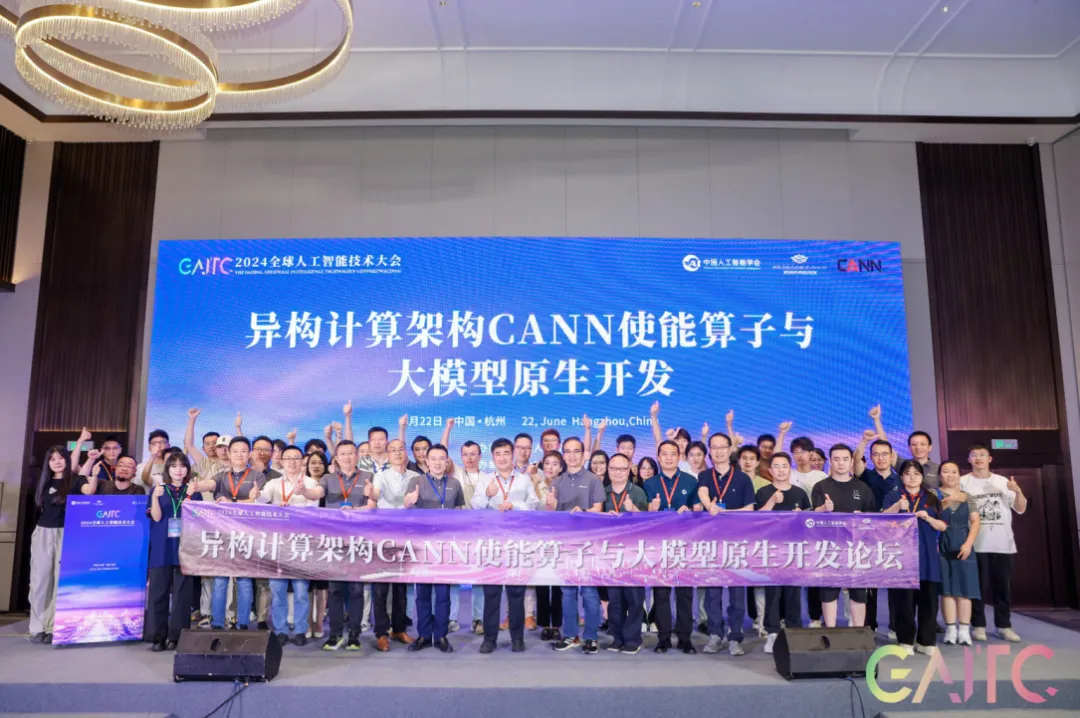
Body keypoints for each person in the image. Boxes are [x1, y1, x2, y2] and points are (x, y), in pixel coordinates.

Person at [303, 440, 373, 651]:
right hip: (333, 541)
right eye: (343, 454)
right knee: (334, 590)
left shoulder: (368, 477)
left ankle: (354, 635)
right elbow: (317, 494)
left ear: (357, 456)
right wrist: (304, 491)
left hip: (358, 541)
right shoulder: (328, 478)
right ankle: (334, 635)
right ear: (336, 458)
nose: (347, 457)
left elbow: (372, 506)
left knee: (356, 590)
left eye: (351, 453)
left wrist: (355, 510)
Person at [471, 438, 539, 653]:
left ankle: (517, 638)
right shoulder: (485, 480)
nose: (502, 457)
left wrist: (515, 505)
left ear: (513, 455)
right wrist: (487, 495)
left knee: (516, 594)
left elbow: (534, 505)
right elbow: (475, 507)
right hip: (492, 544)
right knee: (491, 594)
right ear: (492, 457)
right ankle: (489, 639)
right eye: (498, 454)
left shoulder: (524, 479)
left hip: (517, 544)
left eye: (506, 453)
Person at [697, 432, 756, 656]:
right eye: (714, 447)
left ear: (730, 449)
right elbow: (703, 492)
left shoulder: (742, 478)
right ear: (709, 451)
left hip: (736, 544)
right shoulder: (705, 475)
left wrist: (725, 513)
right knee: (712, 594)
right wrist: (709, 506)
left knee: (737, 594)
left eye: (723, 447)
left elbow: (749, 510)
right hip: (711, 543)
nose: (719, 451)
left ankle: (735, 636)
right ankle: (715, 634)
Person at [961, 444, 1027, 642]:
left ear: (989, 459)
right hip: (976, 543)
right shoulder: (963, 482)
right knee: (977, 588)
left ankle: (1003, 626)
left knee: (1002, 588)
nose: (978, 458)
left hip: (1002, 544)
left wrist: (1018, 491)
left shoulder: (1003, 482)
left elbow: (1020, 508)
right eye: (974, 455)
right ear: (969, 460)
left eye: (982, 455)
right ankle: (978, 626)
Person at [548, 437, 605, 654]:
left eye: (576, 451)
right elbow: (551, 514)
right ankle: (570, 635)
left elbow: (599, 509)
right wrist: (550, 505)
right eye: (568, 451)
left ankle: (591, 637)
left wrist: (584, 512)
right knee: (568, 592)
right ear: (563, 455)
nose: (572, 455)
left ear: (583, 454)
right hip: (565, 545)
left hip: (589, 544)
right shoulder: (557, 481)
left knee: (589, 592)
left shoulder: (593, 479)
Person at [257, 445, 319, 646]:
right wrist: (256, 494)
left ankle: (300, 630)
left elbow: (314, 507)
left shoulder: (310, 482)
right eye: (288, 458)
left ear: (302, 461)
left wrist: (303, 495)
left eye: (296, 458)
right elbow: (262, 499)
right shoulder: (274, 483)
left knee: (301, 591)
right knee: (278, 591)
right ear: (282, 461)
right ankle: (281, 630)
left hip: (301, 544)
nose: (292, 462)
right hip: (278, 544)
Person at [883, 460, 946, 655]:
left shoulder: (932, 497)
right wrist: (896, 507)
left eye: (916, 473)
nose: (912, 477)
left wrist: (928, 518)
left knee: (929, 601)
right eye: (907, 473)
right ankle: (906, 640)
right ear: (901, 477)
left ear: (922, 476)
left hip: (927, 557)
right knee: (904, 602)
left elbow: (943, 526)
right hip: (902, 558)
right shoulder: (894, 495)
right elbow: (881, 520)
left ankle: (926, 641)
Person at [404, 444, 463, 653]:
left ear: (447, 462)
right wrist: (410, 501)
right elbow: (406, 503)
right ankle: (423, 635)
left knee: (443, 594)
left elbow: (459, 511)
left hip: (446, 547)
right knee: (422, 594)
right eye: (433, 458)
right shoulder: (416, 481)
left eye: (441, 459)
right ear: (427, 461)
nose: (437, 462)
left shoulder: (455, 483)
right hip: (422, 546)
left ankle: (441, 636)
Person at [811, 444, 877, 627]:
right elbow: (811, 518)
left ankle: (858, 631)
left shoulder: (862, 487)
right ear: (830, 462)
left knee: (858, 593)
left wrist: (863, 518)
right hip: (829, 548)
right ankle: (830, 631)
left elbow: (873, 518)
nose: (841, 463)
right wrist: (823, 509)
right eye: (836, 459)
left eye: (845, 459)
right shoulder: (820, 487)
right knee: (828, 593)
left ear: (851, 462)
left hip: (857, 548)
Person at [644, 439, 700, 654]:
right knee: (661, 593)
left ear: (679, 456)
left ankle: (685, 638)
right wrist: (652, 508)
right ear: (658, 457)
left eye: (673, 454)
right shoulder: (650, 483)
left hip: (685, 544)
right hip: (659, 545)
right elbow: (643, 516)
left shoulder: (690, 481)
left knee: (685, 593)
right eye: (664, 454)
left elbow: (698, 511)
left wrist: (692, 511)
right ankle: (663, 638)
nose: (668, 457)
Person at [201, 436, 263, 631]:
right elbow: (209, 485)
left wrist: (236, 502)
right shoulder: (221, 476)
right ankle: (217, 623)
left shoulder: (257, 476)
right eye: (235, 451)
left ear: (249, 454)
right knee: (220, 581)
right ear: (228, 453)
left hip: (247, 535)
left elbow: (257, 502)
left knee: (244, 581)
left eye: (243, 451)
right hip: (223, 534)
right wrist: (196, 486)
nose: (239, 454)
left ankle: (243, 623)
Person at [756, 452, 811, 654]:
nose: (781, 470)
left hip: (794, 550)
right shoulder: (763, 492)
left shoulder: (799, 493)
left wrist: (801, 516)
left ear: (790, 469)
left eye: (784, 466)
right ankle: (772, 634)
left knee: (793, 594)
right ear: (770, 470)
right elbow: (755, 520)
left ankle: (794, 632)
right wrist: (771, 502)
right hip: (771, 550)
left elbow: (809, 521)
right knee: (773, 593)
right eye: (776, 466)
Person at [146, 452, 201, 651]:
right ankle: (157, 636)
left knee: (182, 596)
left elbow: (197, 520)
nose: (178, 470)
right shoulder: (159, 489)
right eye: (174, 466)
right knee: (158, 593)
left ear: (187, 469)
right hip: (161, 549)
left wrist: (191, 499)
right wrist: (155, 497)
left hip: (185, 548)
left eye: (182, 466)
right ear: (167, 469)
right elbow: (156, 517)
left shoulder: (193, 491)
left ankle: (177, 637)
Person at [369, 439, 419, 651]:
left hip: (407, 536)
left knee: (401, 587)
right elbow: (376, 495)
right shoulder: (381, 476)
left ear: (406, 453)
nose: (398, 453)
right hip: (384, 536)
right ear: (387, 454)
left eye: (401, 449)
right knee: (381, 587)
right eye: (393, 450)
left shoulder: (415, 477)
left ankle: (399, 629)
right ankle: (381, 632)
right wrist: (371, 493)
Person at [29, 446, 77, 644]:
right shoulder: (44, 483)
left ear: (67, 460)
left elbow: (89, 490)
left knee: (59, 581)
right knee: (39, 581)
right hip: (43, 533)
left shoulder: (74, 481)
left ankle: (52, 626)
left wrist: (81, 444)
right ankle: (37, 627)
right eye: (52, 459)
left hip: (65, 534)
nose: (57, 462)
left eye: (61, 458)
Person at [854, 433, 901, 634]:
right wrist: (864, 441)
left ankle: (895, 626)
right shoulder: (866, 476)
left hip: (895, 537)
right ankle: (869, 626)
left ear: (891, 456)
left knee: (895, 584)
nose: (880, 458)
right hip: (869, 536)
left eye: (884, 454)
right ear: (871, 457)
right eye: (876, 454)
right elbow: (856, 459)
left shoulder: (900, 478)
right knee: (870, 585)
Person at [602, 452, 648, 654]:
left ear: (629, 469)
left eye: (622, 468)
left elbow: (648, 523)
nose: (618, 472)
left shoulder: (638, 492)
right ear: (608, 470)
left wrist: (633, 510)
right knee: (615, 600)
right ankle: (617, 637)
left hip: (634, 553)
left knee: (634, 599)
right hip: (611, 553)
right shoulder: (602, 492)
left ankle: (633, 638)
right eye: (613, 468)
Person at [937, 461, 980, 646]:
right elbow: (933, 512)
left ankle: (964, 630)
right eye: (946, 472)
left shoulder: (968, 496)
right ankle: (950, 629)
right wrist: (950, 500)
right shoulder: (933, 494)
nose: (950, 475)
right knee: (946, 590)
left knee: (965, 589)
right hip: (941, 543)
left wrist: (969, 543)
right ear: (940, 475)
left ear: (959, 475)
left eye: (954, 472)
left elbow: (975, 521)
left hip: (963, 543)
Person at [453, 439, 486, 635]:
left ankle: (478, 618)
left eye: (473, 454)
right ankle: (451, 618)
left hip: (481, 533)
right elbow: (442, 451)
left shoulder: (488, 478)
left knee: (480, 578)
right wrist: (448, 429)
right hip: (458, 532)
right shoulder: (456, 473)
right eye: (465, 454)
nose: (469, 458)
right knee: (454, 576)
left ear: (480, 456)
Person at [535, 451, 565, 642]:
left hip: (561, 539)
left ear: (561, 468)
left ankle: (557, 625)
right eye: (547, 463)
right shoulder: (535, 484)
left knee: (558, 586)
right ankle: (545, 625)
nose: (550, 467)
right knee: (542, 584)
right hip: (540, 539)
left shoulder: (566, 486)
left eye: (555, 464)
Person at [303, 450, 330, 638]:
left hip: (325, 541)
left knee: (321, 585)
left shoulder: (330, 484)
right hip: (303, 541)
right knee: (306, 585)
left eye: (320, 462)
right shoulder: (301, 484)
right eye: (312, 462)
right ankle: (307, 622)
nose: (316, 465)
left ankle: (319, 622)